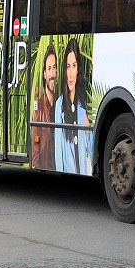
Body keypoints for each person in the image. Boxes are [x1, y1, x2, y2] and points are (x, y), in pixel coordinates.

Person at [54, 38, 93, 174]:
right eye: (67, 66)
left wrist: (88, 129)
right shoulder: (60, 104)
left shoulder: (84, 106)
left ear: (78, 70)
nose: (70, 74)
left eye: (74, 66)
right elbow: (59, 152)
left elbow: (92, 150)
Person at [30, 44, 57, 170]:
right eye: (49, 68)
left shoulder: (61, 104)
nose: (52, 74)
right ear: (45, 74)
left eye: (54, 68)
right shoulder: (39, 109)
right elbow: (35, 150)